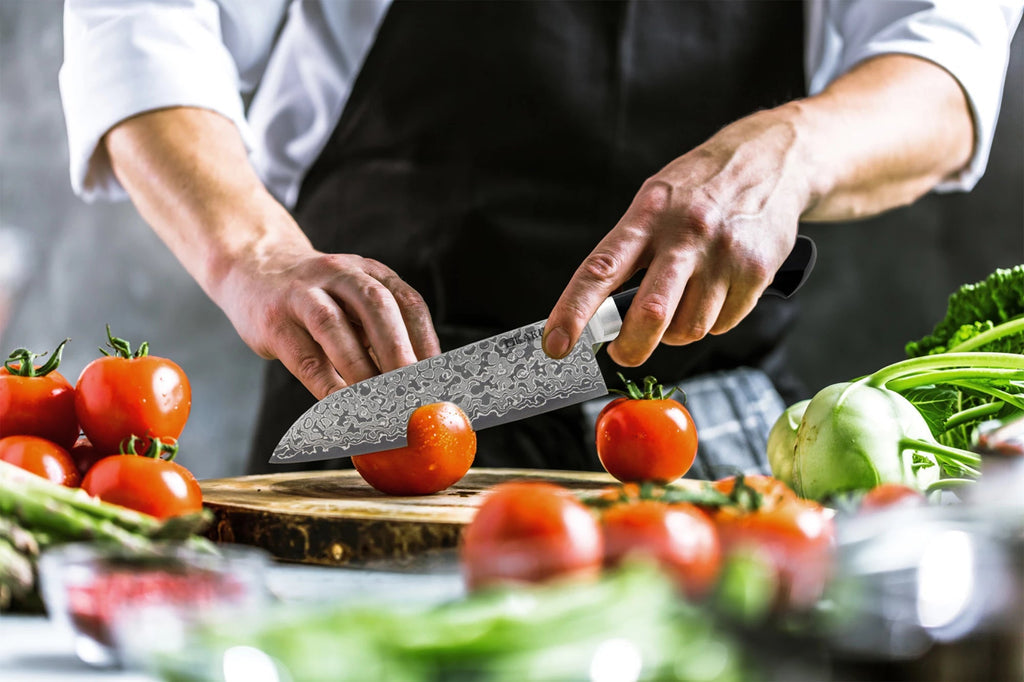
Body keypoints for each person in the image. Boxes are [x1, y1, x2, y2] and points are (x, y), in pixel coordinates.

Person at [60, 0, 1022, 477]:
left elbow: (943, 64)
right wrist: (250, 253)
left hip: (695, 444)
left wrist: (791, 148)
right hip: (372, 426)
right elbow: (141, 17)